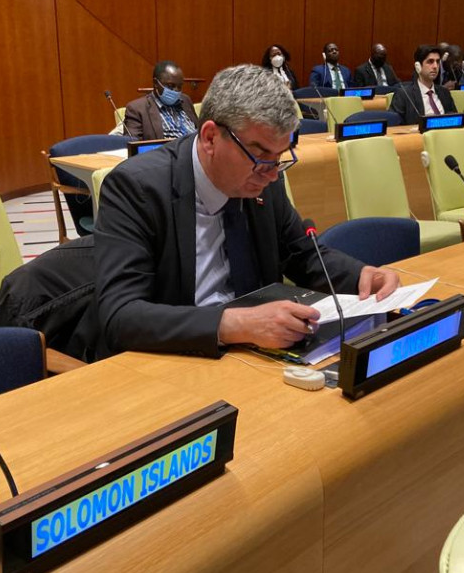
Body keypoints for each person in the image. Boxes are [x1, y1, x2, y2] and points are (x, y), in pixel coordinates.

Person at [92, 64, 399, 359]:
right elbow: (120, 315)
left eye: (278, 156)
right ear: (211, 138)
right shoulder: (136, 188)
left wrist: (360, 274)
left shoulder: (263, 178)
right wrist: (237, 324)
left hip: (254, 354)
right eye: (260, 155)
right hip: (175, 358)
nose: (272, 172)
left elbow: (303, 255)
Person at [123, 61, 199, 141]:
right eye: (170, 86)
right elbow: (133, 146)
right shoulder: (137, 109)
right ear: (156, 83)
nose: (176, 91)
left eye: (179, 86)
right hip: (167, 152)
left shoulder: (185, 100)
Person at [390, 44, 457, 126]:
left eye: (437, 62)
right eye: (430, 61)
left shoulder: (445, 93)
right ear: (418, 66)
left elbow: (455, 120)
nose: (435, 66)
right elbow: (394, 128)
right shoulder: (404, 95)